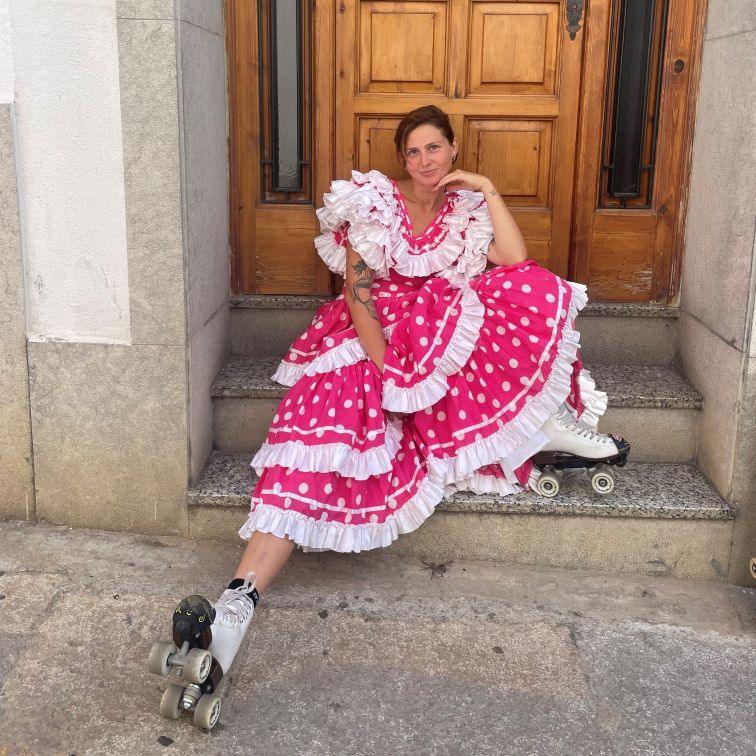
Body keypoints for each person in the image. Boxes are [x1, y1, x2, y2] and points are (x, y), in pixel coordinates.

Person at [170, 105, 629, 683]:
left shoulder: (466, 207)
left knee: (516, 290)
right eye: (413, 152)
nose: (424, 161)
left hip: (434, 335)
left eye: (434, 148)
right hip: (372, 337)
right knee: (316, 437)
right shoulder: (373, 203)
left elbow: (514, 261)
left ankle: (545, 425)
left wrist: (487, 190)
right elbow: (358, 296)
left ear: (454, 150)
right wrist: (388, 366)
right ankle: (236, 604)